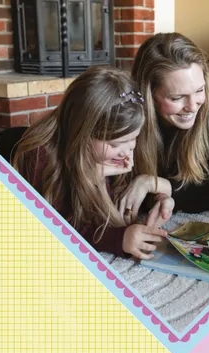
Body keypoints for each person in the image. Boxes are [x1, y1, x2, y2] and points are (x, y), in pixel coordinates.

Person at [12, 66, 174, 260]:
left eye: (134, 138)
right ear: (82, 134)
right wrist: (117, 238)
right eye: (116, 143)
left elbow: (125, 195)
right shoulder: (40, 155)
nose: (128, 150)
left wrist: (159, 198)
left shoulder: (123, 144)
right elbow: (54, 229)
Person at [118, 32, 209, 223]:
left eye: (199, 90)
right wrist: (160, 194)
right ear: (149, 95)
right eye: (177, 97)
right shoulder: (128, 116)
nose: (192, 106)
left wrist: (153, 183)